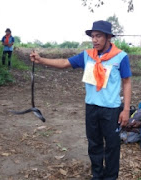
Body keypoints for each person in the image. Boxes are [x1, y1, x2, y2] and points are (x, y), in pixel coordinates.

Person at [30, 20, 132, 179]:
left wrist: (125, 110)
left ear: (108, 37)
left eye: (98, 36)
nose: (95, 40)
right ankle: (97, 175)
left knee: (112, 146)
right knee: (94, 144)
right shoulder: (87, 56)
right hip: (91, 107)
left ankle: (111, 177)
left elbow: (127, 82)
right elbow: (64, 63)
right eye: (93, 36)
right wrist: (41, 60)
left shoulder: (120, 57)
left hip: (111, 109)